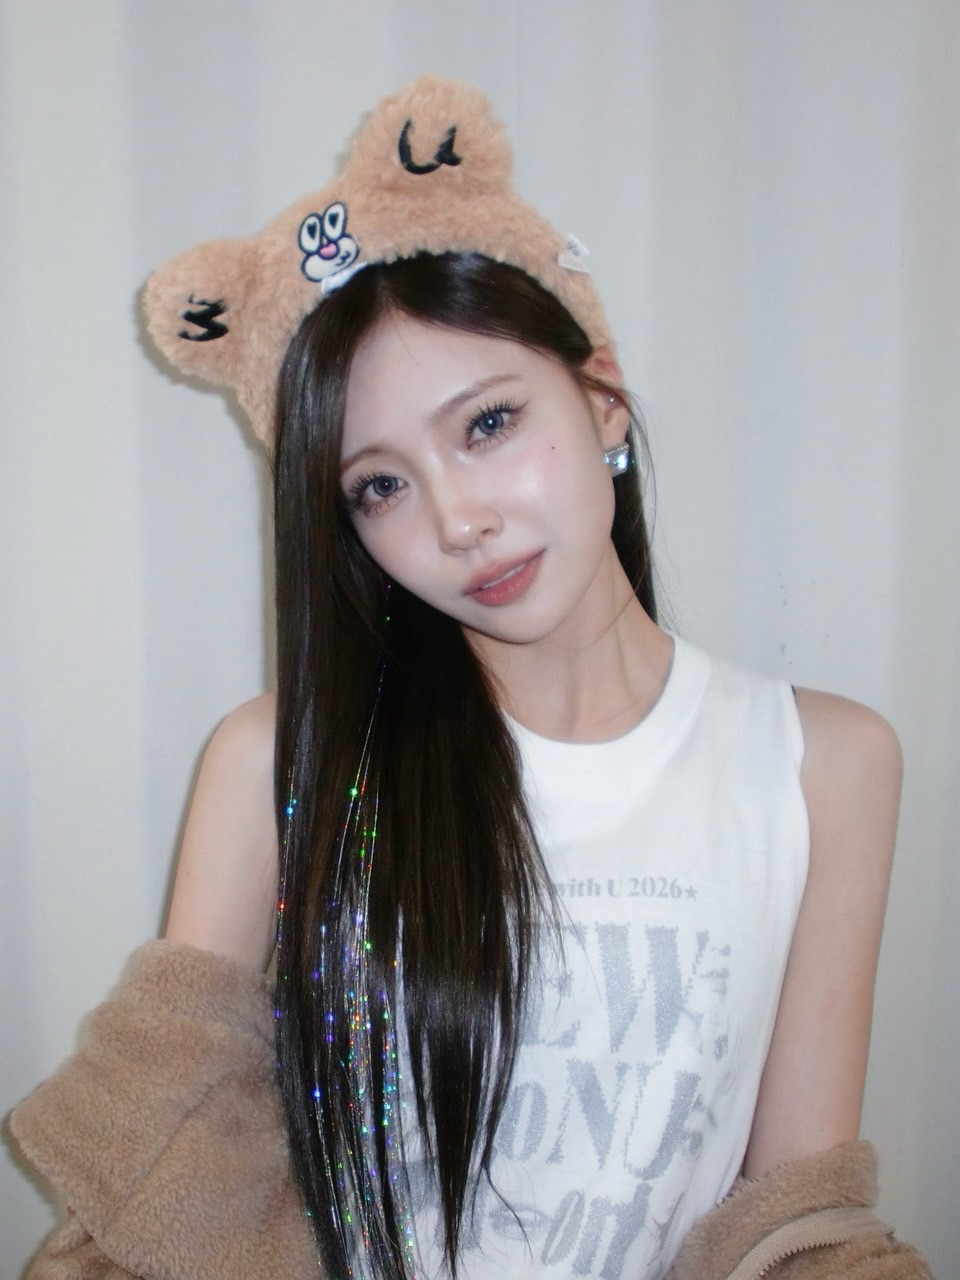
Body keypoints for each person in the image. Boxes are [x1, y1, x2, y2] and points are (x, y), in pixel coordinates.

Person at [10, 76, 932, 1280]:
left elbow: (792, 1216)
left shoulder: (825, 765)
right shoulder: (279, 761)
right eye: (380, 485)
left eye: (487, 424)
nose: (456, 520)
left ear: (601, 399)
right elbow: (168, 1179)